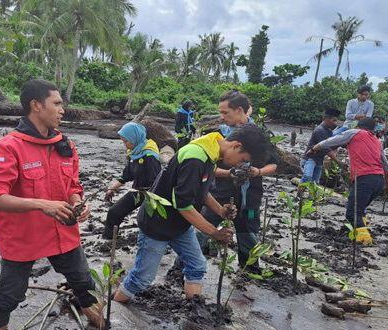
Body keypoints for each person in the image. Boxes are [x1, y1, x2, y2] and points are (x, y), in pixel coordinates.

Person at [0, 79, 103, 330]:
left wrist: (77, 202)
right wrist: (42, 205)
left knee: (85, 285)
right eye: (56, 103)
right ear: (36, 105)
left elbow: (72, 185)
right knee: (9, 296)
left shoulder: (65, 145)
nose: (62, 110)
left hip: (63, 234)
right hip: (24, 238)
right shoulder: (8, 147)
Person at [113, 125, 270, 302]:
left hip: (180, 225)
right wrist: (214, 232)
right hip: (158, 224)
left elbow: (202, 191)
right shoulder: (196, 157)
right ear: (236, 145)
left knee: (197, 265)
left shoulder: (211, 151)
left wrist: (220, 210)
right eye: (242, 159)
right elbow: (184, 205)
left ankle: (194, 308)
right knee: (143, 277)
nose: (238, 165)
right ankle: (115, 306)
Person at [200, 91, 279, 271]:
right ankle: (183, 265)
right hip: (219, 195)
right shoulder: (219, 135)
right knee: (203, 226)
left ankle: (249, 271)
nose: (221, 117)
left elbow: (274, 164)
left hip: (250, 198)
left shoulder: (260, 136)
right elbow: (206, 168)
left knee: (249, 231)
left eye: (225, 112)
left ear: (240, 110)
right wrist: (229, 173)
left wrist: (257, 171)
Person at [309, 118, 388, 245]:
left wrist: (315, 148)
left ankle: (364, 240)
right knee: (360, 208)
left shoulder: (354, 132)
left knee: (353, 211)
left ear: (359, 126)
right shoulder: (377, 141)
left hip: (365, 179)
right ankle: (349, 231)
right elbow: (386, 166)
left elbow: (332, 140)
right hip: (378, 180)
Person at [103, 122, 161, 239]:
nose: (124, 145)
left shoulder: (150, 157)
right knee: (114, 212)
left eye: (126, 141)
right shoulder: (134, 154)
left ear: (135, 138)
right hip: (138, 192)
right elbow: (126, 176)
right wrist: (112, 189)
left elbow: (157, 182)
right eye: (123, 141)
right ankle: (108, 239)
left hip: (151, 195)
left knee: (148, 222)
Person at [301, 107, 341, 183]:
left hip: (319, 159)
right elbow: (326, 148)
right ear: (326, 119)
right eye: (334, 120)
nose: (335, 123)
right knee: (307, 178)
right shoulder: (320, 130)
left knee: (315, 182)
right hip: (310, 158)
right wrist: (337, 161)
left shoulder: (329, 131)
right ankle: (299, 195)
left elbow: (331, 145)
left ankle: (310, 195)